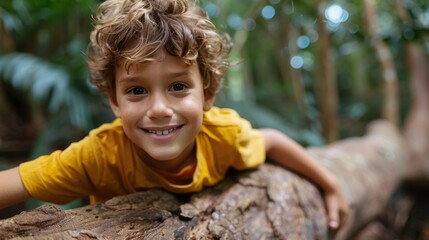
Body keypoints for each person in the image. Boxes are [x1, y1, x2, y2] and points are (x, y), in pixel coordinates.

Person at [0, 0, 348, 230]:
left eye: (178, 87)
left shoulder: (223, 135)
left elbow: (271, 142)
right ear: (114, 101)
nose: (159, 109)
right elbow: (16, 182)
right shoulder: (100, 156)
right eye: (137, 90)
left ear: (208, 93)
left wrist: (330, 186)